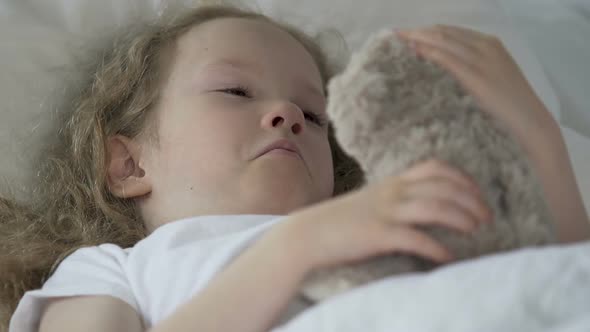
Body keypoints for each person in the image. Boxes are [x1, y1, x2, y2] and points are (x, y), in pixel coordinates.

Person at [3, 4, 589, 332]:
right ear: (129, 163)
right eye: (236, 91)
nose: (288, 114)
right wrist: (299, 247)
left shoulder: (386, 225)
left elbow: (554, 274)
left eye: (315, 113)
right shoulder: (112, 270)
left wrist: (536, 134)